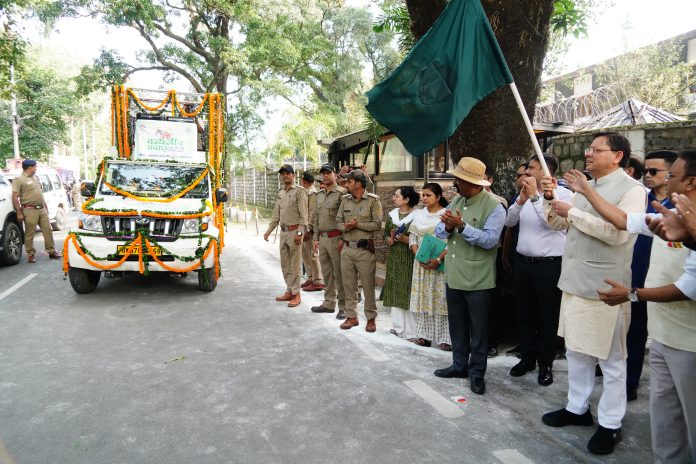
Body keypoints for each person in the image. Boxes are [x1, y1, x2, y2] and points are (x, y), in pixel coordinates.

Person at [578, 150, 696, 463]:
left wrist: (632, 294)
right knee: (666, 424)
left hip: (689, 345)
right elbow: (623, 220)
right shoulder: (670, 212)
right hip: (662, 337)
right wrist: (587, 191)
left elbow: (689, 288)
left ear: (691, 182)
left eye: (672, 175)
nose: (665, 180)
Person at [540, 132, 646, 456]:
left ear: (617, 155)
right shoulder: (586, 186)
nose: (588, 154)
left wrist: (572, 211)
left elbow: (617, 234)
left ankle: (611, 423)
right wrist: (550, 200)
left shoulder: (632, 190)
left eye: (596, 149)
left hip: (606, 287)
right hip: (574, 281)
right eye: (588, 149)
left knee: (611, 360)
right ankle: (577, 407)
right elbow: (559, 225)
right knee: (576, 351)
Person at [433, 157, 506, 395]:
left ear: (473, 183)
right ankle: (459, 366)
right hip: (454, 276)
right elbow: (439, 231)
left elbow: (490, 240)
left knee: (479, 331)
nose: (455, 183)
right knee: (457, 326)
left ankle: (477, 373)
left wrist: (462, 226)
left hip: (478, 280)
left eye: (459, 180)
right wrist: (448, 226)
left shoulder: (494, 206)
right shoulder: (457, 200)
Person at [504, 154, 571, 387]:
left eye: (531, 168)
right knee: (525, 314)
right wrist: (521, 201)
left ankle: (546, 364)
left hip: (549, 265)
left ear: (545, 171)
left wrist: (535, 197)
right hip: (524, 263)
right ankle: (527, 358)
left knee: (547, 317)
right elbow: (509, 222)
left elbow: (552, 224)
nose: (526, 173)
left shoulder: (564, 195)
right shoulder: (523, 194)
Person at [626, 151, 676, 401]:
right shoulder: (640, 199)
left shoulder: (681, 208)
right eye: (645, 171)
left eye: (653, 171)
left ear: (670, 174)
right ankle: (628, 381)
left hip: (668, 282)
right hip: (636, 275)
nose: (647, 175)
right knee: (633, 331)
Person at [336, 169, 383, 332]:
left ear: (358, 184)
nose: (346, 184)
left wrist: (357, 225)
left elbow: (377, 224)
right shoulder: (345, 200)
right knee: (349, 285)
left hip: (365, 250)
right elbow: (338, 222)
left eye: (349, 182)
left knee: (368, 287)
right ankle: (351, 317)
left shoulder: (373, 201)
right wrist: (346, 227)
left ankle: (371, 319)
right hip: (347, 249)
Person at [409, 183, 450, 350]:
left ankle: (445, 339)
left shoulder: (446, 215)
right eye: (423, 195)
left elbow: (451, 242)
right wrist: (418, 255)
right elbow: (412, 237)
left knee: (441, 299)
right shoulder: (419, 215)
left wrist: (438, 259)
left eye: (428, 195)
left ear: (438, 197)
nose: (424, 198)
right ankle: (424, 336)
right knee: (423, 298)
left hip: (440, 265)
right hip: (421, 264)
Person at [263, 164, 308, 308]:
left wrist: (300, 233)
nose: (285, 176)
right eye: (282, 174)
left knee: (295, 265)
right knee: (285, 265)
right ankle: (289, 290)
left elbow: (304, 216)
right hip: (283, 232)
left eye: (288, 173)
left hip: (295, 232)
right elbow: (276, 215)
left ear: (293, 175)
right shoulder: (281, 192)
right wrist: (268, 231)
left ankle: (297, 294)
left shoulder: (300, 191)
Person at [310, 164, 348, 319]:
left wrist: (344, 238)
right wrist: (315, 238)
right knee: (326, 273)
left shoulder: (342, 193)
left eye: (328, 173)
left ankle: (344, 307)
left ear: (335, 175)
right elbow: (316, 218)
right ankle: (329, 303)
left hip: (336, 238)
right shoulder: (319, 195)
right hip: (323, 238)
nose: (325, 176)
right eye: (323, 173)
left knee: (340, 274)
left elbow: (346, 218)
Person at [384, 186, 419, 339]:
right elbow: (385, 234)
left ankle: (411, 331)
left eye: (397, 196)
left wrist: (406, 240)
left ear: (407, 199)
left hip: (410, 257)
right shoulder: (392, 215)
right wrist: (389, 240)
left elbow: (420, 237)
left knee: (409, 290)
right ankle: (398, 327)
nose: (394, 198)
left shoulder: (417, 216)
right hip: (395, 257)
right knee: (395, 289)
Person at [11, 159, 62, 263]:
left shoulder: (35, 177)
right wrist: (19, 213)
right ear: (30, 167)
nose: (36, 168)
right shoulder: (19, 179)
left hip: (41, 208)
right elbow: (14, 197)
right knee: (30, 233)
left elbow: (40, 194)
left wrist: (45, 207)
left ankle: (51, 251)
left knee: (47, 230)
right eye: (35, 166)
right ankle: (30, 254)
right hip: (29, 209)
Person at [300, 171, 325, 292]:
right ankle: (311, 277)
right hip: (304, 227)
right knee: (305, 254)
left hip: (310, 228)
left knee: (313, 255)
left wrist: (308, 230)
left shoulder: (313, 193)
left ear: (303, 181)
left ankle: (318, 281)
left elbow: (312, 212)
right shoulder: (305, 192)